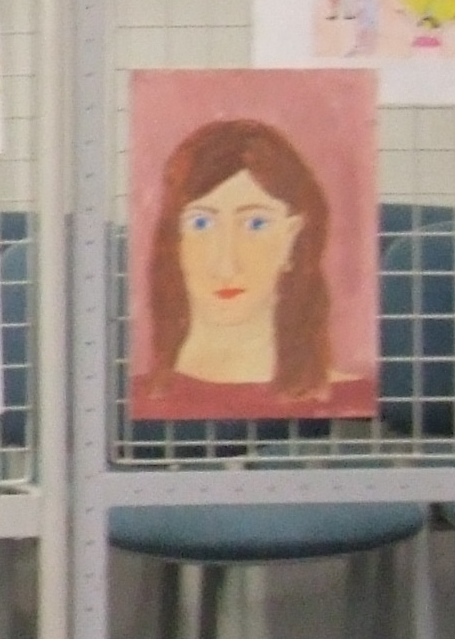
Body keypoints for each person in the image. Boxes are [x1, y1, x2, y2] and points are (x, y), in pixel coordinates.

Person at [131, 117, 368, 421]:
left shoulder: (352, 403)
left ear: (292, 236)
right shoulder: (125, 405)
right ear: (176, 240)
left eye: (256, 224)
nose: (226, 265)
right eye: (201, 223)